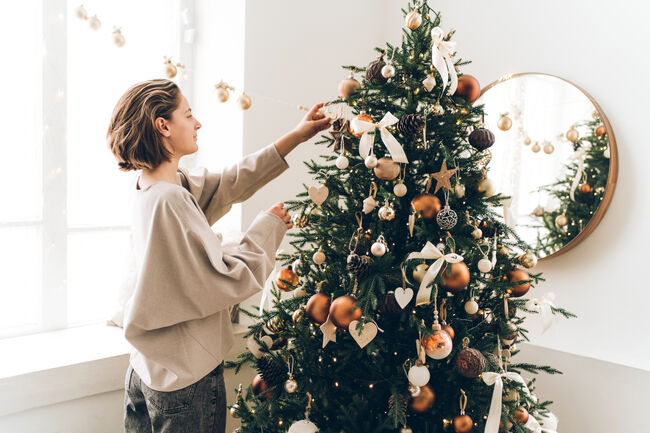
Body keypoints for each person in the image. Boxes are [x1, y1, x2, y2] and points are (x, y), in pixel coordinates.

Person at [106, 78, 332, 433]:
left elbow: (229, 182)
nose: (197, 123)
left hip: (146, 369)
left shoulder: (153, 186)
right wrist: (269, 226)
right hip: (185, 376)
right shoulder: (170, 200)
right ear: (162, 126)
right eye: (189, 115)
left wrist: (294, 138)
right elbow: (224, 278)